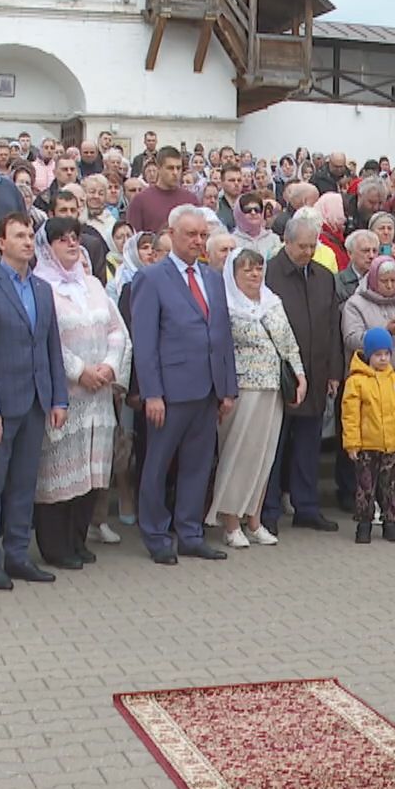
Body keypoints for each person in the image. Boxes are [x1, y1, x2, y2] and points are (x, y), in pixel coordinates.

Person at [0, 213, 69, 589]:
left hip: (36, 399)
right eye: (19, 236)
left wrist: (59, 397)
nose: (27, 241)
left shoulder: (42, 289)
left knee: (25, 482)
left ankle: (18, 554)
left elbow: (51, 345)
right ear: (0, 242)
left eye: (30, 235)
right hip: (2, 403)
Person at [133, 206, 239, 563]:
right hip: (170, 391)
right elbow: (145, 342)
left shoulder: (212, 277)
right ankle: (156, 535)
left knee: (198, 465)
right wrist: (152, 393)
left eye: (202, 235)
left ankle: (190, 532)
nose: (198, 241)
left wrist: (226, 389)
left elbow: (221, 336)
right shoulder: (152, 278)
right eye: (191, 234)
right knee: (158, 465)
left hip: (206, 389)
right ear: (172, 233)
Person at [31, 218, 129, 570]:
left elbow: (117, 330)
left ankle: (78, 538)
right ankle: (55, 546)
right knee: (59, 472)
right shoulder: (41, 285)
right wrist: (79, 371)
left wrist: (108, 365)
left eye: (75, 238)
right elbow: (45, 338)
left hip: (98, 394)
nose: (72, 244)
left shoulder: (91, 284)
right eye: (62, 240)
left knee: (91, 469)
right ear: (47, 247)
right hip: (67, 392)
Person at [207, 248, 305, 549]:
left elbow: (289, 344)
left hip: (272, 389)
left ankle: (254, 519)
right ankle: (231, 522)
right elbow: (219, 351)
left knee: (264, 455)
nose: (254, 274)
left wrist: (300, 376)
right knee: (239, 454)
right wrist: (223, 391)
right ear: (233, 273)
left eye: (258, 268)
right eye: (246, 269)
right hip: (242, 390)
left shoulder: (272, 303)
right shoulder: (224, 305)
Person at [262, 212, 343, 536]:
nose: (308, 253)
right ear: (287, 241)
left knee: (309, 445)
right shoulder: (269, 275)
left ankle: (306, 507)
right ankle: (267, 510)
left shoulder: (324, 276)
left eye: (313, 246)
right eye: (302, 247)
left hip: (317, 371)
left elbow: (333, 327)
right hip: (281, 376)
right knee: (275, 446)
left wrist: (334, 372)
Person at [339, 326, 395, 544]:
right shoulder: (356, 381)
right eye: (378, 354)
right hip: (367, 447)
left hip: (392, 446)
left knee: (388, 487)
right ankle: (364, 524)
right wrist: (352, 444)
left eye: (386, 354)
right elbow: (350, 415)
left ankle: (390, 523)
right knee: (366, 487)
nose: (383, 359)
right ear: (369, 355)